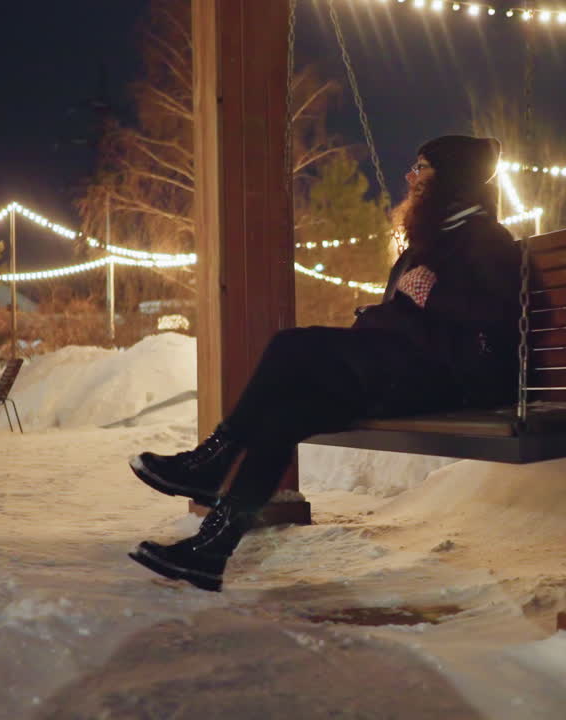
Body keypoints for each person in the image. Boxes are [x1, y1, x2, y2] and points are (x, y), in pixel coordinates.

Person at [127, 135, 522, 591]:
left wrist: (430, 294)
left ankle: (215, 460)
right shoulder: (433, 238)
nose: (410, 177)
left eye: (422, 168)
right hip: (406, 370)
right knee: (284, 415)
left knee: (291, 345)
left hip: (453, 378)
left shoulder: (486, 238)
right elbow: (406, 313)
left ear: (452, 176)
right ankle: (209, 551)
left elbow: (493, 315)